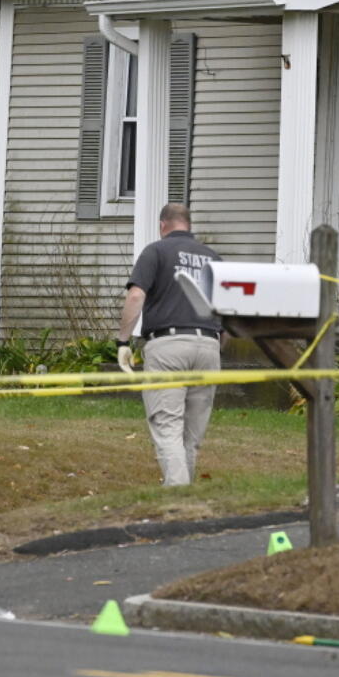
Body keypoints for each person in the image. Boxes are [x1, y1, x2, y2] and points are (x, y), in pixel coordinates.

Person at [117, 203, 223, 486]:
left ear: (163, 224)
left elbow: (136, 296)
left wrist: (123, 341)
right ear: (188, 224)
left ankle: (178, 497)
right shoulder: (213, 257)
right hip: (209, 345)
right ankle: (184, 492)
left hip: (169, 346)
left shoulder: (156, 251)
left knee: (167, 426)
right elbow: (228, 306)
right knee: (191, 433)